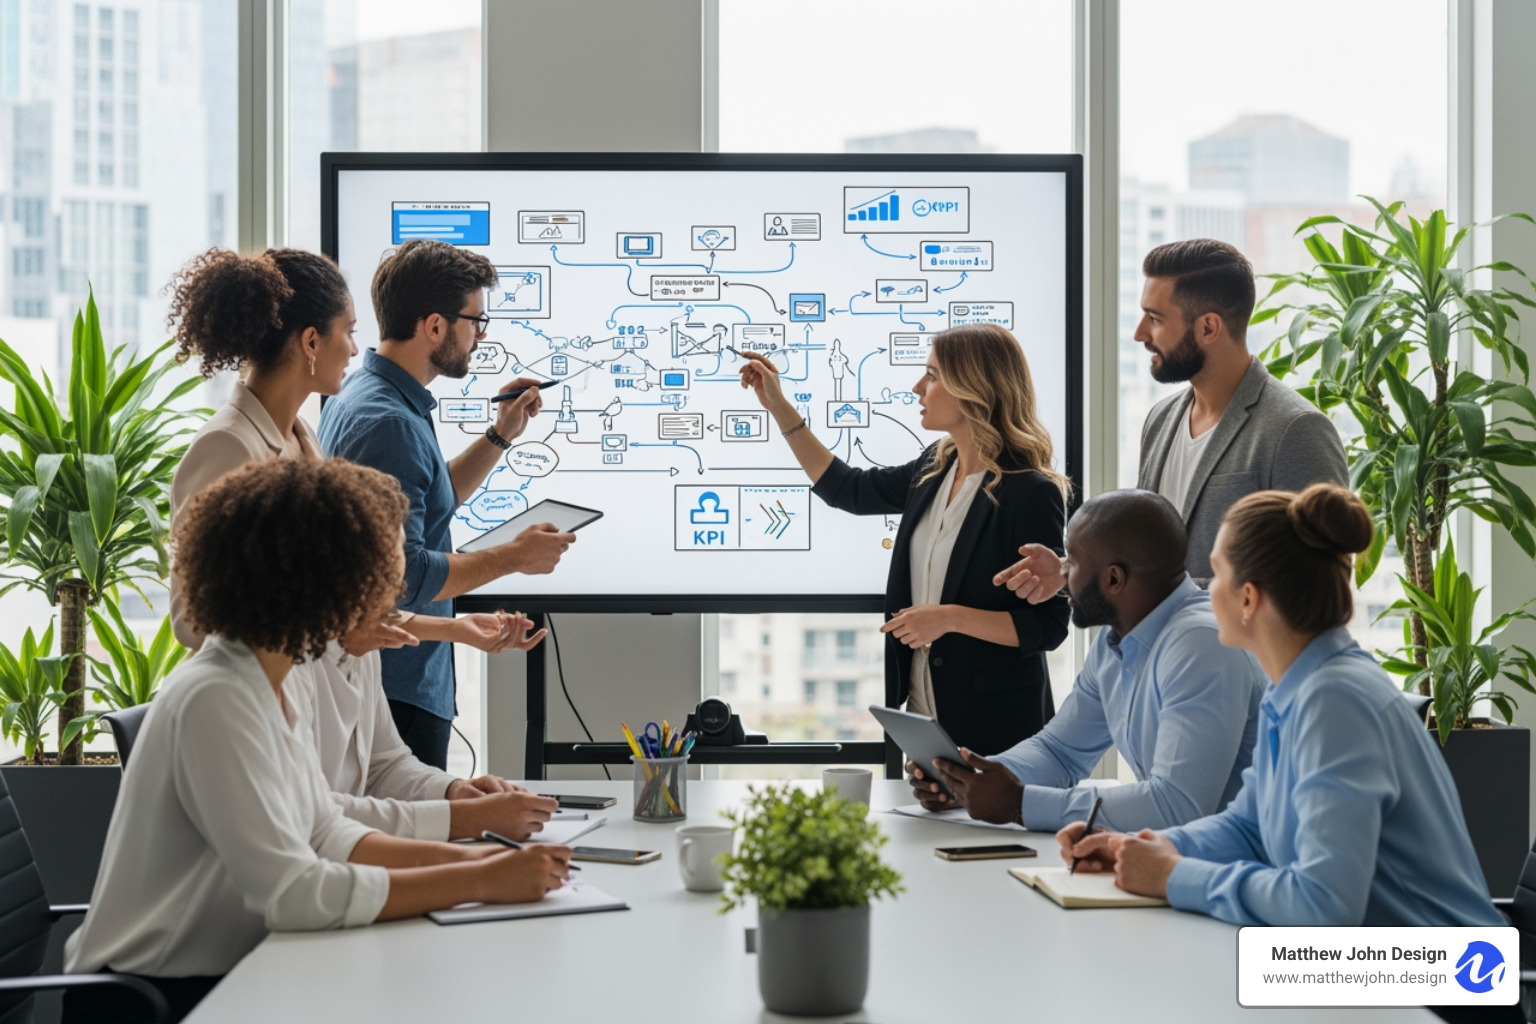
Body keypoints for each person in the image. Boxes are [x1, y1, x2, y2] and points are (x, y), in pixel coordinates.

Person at [63, 459, 571, 1024]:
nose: (395, 597)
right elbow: (294, 892)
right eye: (384, 576)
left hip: (236, 969)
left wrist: (479, 860)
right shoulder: (218, 695)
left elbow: (323, 828)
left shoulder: (264, 678)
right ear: (329, 583)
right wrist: (477, 878)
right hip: (159, 995)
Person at [165, 246, 555, 843]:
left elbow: (347, 601)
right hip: (271, 718)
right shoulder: (228, 448)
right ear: (310, 341)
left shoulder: (305, 441)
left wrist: (445, 629)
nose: (356, 345)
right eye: (347, 331)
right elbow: (198, 621)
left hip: (327, 711)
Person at [1062, 484, 1501, 933]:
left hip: (1445, 985)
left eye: (1214, 576)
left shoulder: (1335, 701)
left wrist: (1174, 876)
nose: (1205, 591)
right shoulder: (1294, 688)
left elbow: (1323, 904)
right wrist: (1137, 848)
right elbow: (1247, 827)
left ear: (1249, 599)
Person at [739, 323, 1070, 753]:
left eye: (932, 375)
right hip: (922, 710)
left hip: (998, 726)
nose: (917, 387)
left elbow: (1048, 627)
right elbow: (848, 489)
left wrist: (948, 617)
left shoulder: (1030, 491)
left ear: (972, 387)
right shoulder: (935, 466)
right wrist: (778, 405)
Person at [318, 239, 576, 769]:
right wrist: (512, 558)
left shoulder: (376, 396)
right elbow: (403, 574)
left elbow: (433, 499)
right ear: (434, 326)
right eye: (475, 321)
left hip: (403, 680)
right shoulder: (387, 423)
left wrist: (501, 435)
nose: (481, 335)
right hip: (398, 689)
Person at [995, 239, 1347, 600]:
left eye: (1155, 318)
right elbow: (1146, 557)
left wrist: (1171, 595)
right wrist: (1071, 572)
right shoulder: (1161, 419)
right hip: (1156, 657)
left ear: (1208, 328)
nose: (1139, 333)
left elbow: (1318, 584)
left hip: (1233, 657)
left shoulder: (1296, 430)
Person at [909, 490, 1265, 832]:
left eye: (1072, 561)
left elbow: (1176, 806)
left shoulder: (1201, 645)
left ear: (1113, 579)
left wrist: (1021, 803)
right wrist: (969, 778)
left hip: (1246, 872)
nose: (1062, 576)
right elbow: (1060, 751)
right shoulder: (1118, 638)